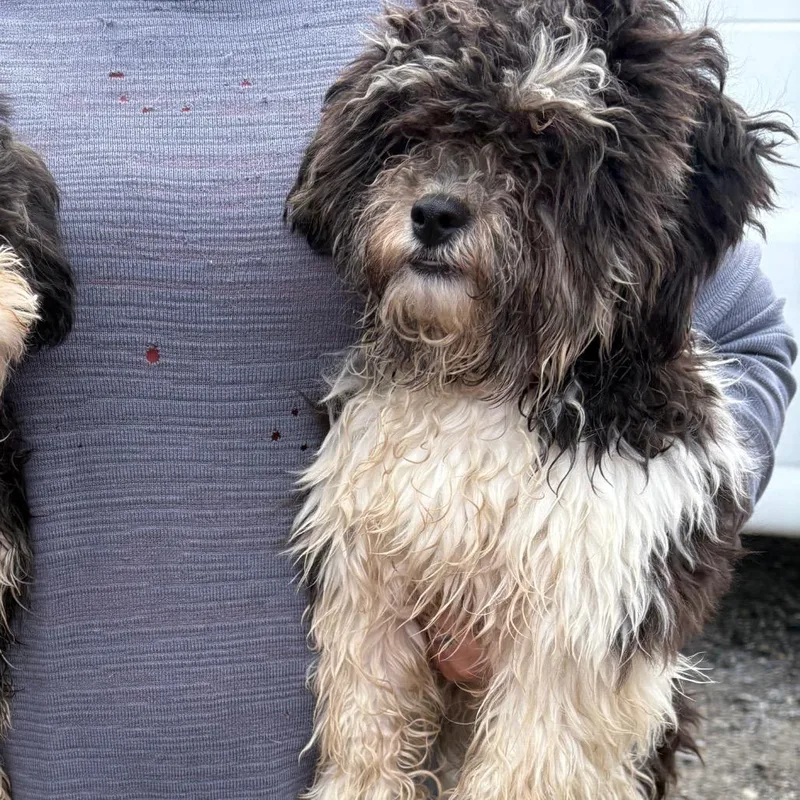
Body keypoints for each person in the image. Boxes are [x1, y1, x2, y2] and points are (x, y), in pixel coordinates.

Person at [0, 1, 795, 797]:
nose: (442, 194)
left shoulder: (517, 15)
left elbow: (749, 339)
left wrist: (628, 577)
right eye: (414, 145)